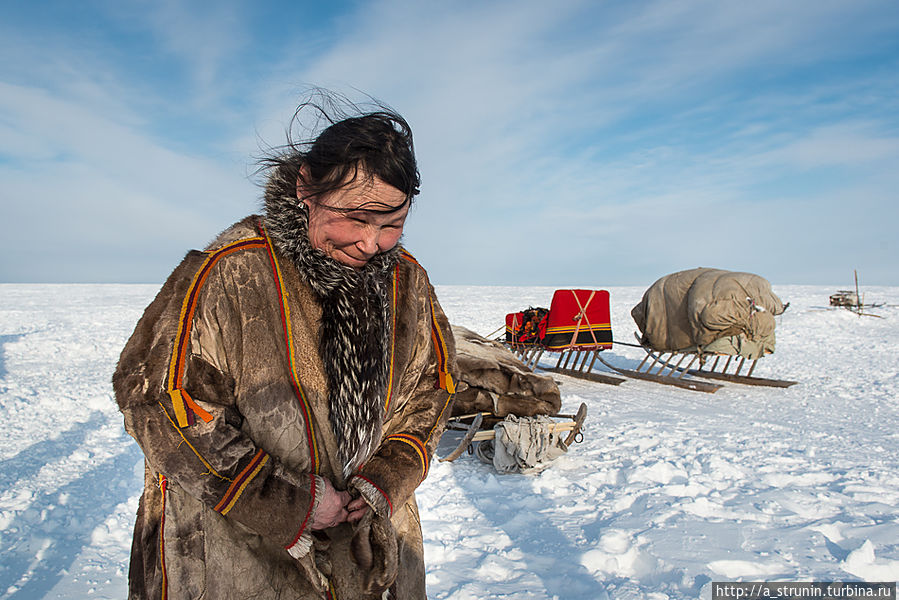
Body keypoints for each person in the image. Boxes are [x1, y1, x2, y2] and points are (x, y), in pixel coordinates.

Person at [113, 94, 458, 599]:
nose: (371, 243)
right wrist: (284, 502)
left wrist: (387, 477)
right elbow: (159, 399)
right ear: (306, 188)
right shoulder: (230, 270)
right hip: (240, 554)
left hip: (365, 552)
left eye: (391, 226)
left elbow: (433, 389)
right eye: (357, 219)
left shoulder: (408, 283)